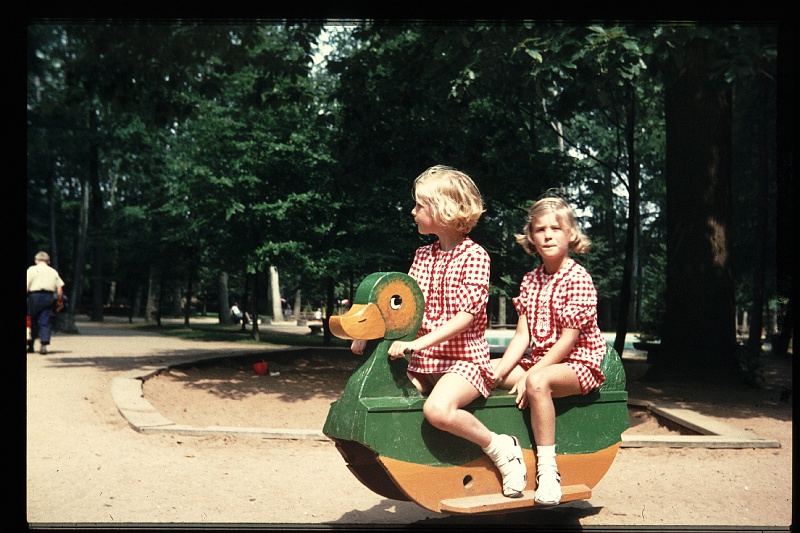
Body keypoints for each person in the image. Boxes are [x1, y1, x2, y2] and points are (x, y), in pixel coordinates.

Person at [351, 165, 527, 498]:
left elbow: (465, 316)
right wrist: (370, 332)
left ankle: (502, 449)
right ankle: (414, 465)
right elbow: (403, 304)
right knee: (386, 393)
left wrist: (416, 343)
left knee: (437, 410)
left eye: (419, 205)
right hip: (425, 361)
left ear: (443, 211)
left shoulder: (475, 257)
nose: (413, 212)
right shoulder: (423, 255)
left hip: (464, 362)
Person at [492, 195, 606, 506]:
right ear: (530, 237)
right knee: (485, 371)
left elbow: (568, 341)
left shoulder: (577, 278)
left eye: (556, 228)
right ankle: (503, 452)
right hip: (538, 361)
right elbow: (521, 336)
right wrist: (498, 371)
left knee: (536, 383)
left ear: (570, 234)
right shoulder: (530, 280)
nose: (548, 234)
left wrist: (534, 373)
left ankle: (548, 470)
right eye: (540, 229)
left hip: (578, 364)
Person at [26, 251, 65, 354]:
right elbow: (59, 288)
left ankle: (31, 344)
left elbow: (27, 285)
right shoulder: (53, 271)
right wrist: (60, 301)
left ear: (36, 260)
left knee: (32, 320)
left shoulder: (31, 270)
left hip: (33, 296)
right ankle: (43, 345)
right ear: (48, 261)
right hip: (48, 297)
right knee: (45, 320)